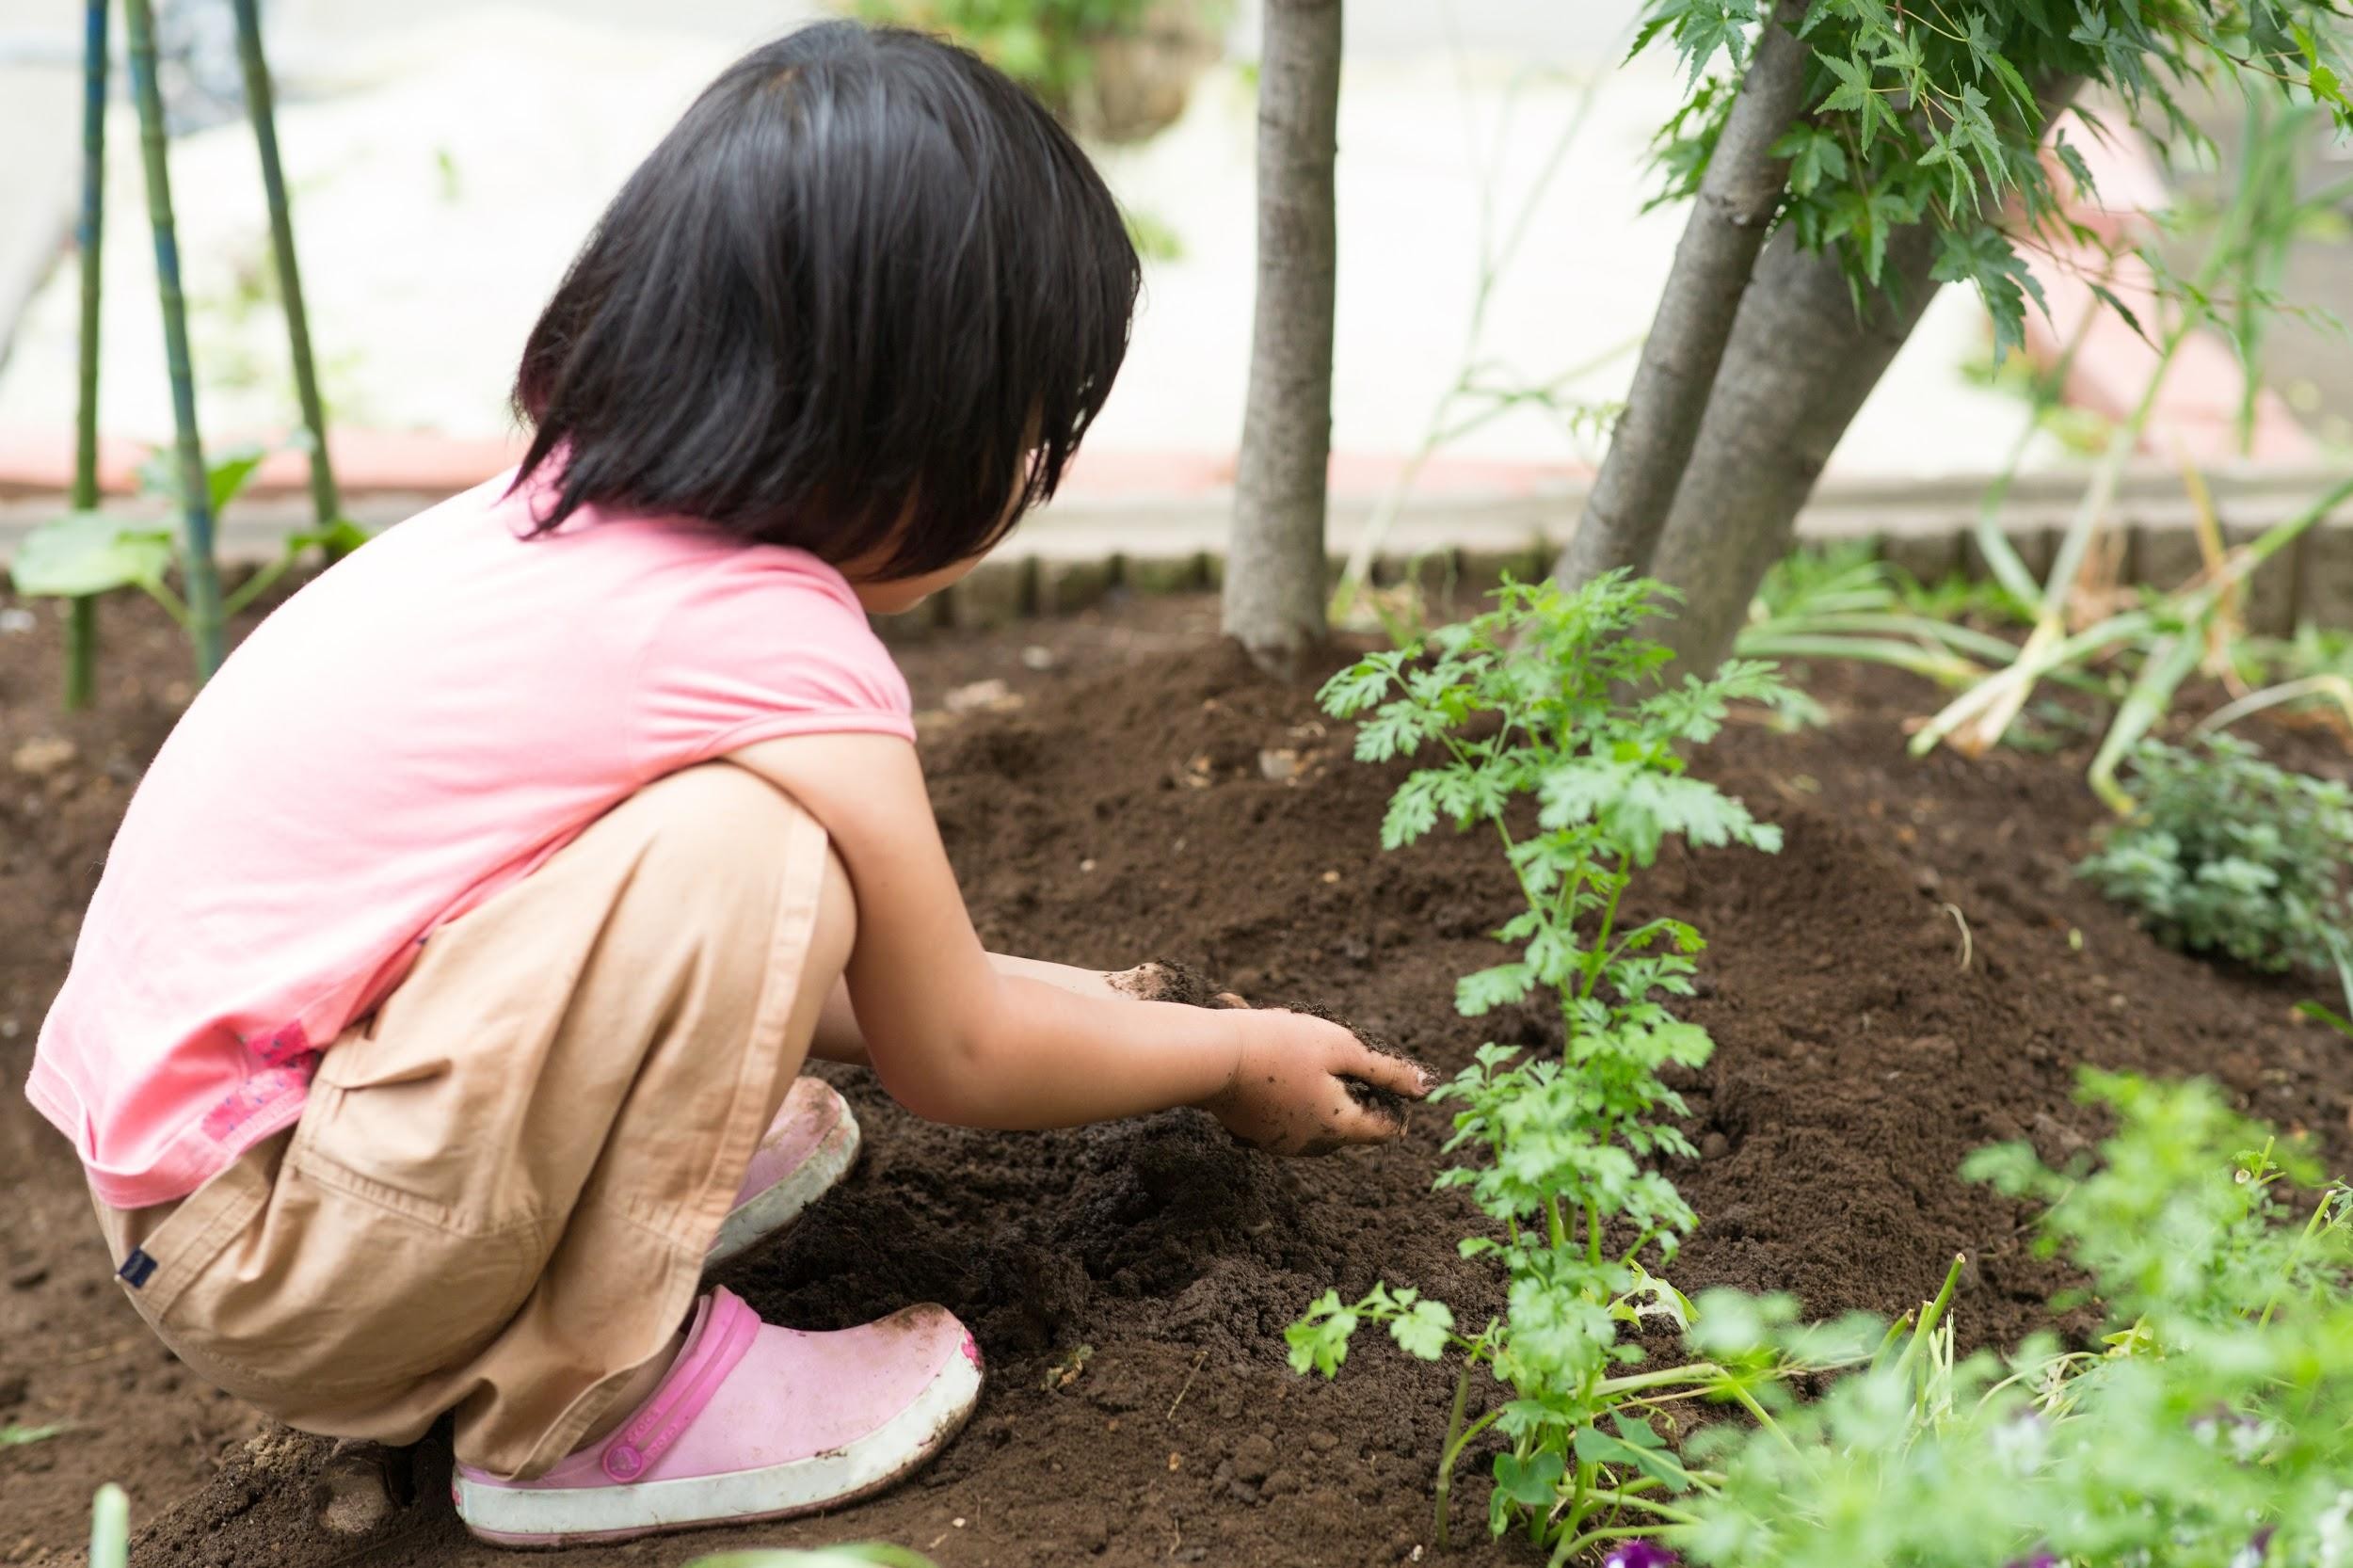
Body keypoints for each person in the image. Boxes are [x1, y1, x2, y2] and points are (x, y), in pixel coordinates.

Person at [24, 20, 1428, 1549]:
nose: (1036, 472)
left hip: (221, 1198)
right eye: (1035, 427)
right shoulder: (770, 638)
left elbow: (844, 980)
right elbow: (947, 1042)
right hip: (298, 1256)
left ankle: (566, 1227)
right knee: (756, 846)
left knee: (739, 860)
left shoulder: (550, 532)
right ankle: (587, 1408)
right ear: (918, 414)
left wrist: (1131, 1006)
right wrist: (1223, 1063)